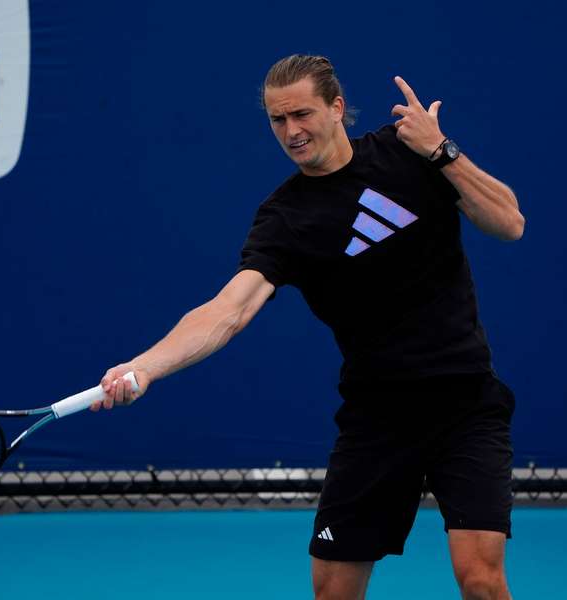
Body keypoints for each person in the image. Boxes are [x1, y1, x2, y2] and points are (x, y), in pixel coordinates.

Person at [92, 55, 524, 600]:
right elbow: (229, 310)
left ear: (336, 107)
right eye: (278, 119)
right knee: (333, 591)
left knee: (481, 579)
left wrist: (441, 150)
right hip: (377, 417)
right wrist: (145, 366)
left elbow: (509, 223)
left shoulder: (407, 152)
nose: (291, 131)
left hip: (464, 401)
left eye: (302, 114)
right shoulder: (285, 218)